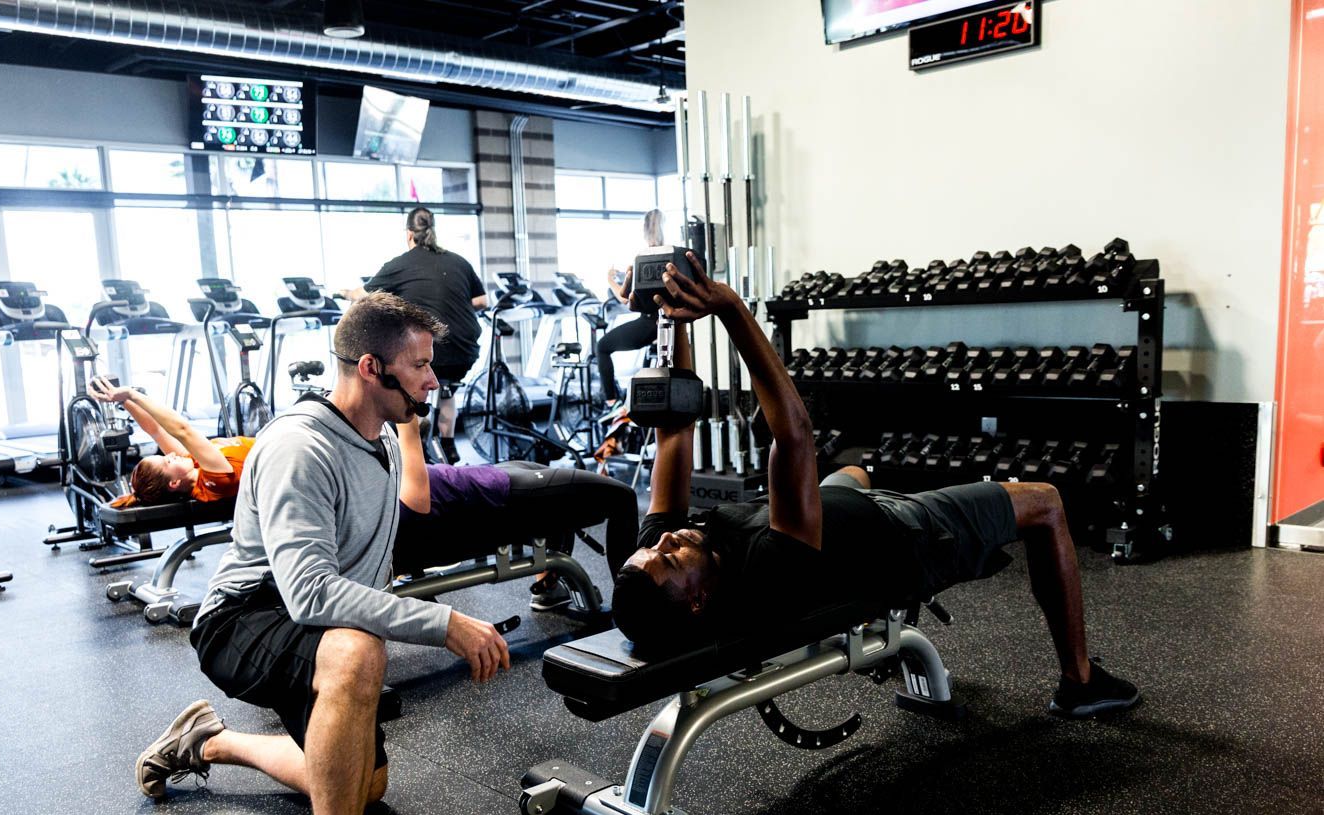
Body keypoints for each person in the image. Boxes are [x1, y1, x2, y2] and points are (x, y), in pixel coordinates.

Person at [136, 292, 510, 815]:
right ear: (372, 368)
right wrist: (444, 624)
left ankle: (207, 743)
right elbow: (309, 594)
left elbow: (364, 574)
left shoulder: (381, 442)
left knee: (360, 789)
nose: (433, 380)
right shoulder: (300, 447)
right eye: (419, 366)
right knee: (356, 650)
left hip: (309, 626)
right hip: (243, 619)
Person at [609, 253, 1141, 721]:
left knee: (858, 466)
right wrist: (729, 308)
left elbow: (675, 427)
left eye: (656, 546)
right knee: (1045, 501)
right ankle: (1080, 681)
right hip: (907, 534)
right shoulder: (764, 578)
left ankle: (894, 622)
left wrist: (669, 314)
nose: (667, 541)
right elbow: (792, 435)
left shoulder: (663, 554)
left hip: (847, 508)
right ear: (700, 602)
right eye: (672, 559)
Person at [393, 413, 638, 610]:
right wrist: (406, 418)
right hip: (500, 491)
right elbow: (417, 503)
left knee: (557, 490)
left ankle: (548, 588)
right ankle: (633, 608)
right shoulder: (396, 496)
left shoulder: (366, 487)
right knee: (622, 497)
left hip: (492, 476)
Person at [341, 206, 488, 464]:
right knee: (446, 390)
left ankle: (413, 450)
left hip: (433, 352)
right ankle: (448, 444)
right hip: (465, 351)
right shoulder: (458, 261)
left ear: (409, 234)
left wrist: (343, 293)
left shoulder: (399, 265)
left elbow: (365, 296)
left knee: (408, 379)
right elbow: (482, 300)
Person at [87, 376, 250, 506]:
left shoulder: (190, 465)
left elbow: (155, 430)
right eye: (167, 461)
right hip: (274, 451)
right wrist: (132, 394)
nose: (170, 454)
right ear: (174, 483)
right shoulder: (215, 481)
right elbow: (182, 430)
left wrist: (120, 399)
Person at [596, 208, 666, 415]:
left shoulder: (645, 257)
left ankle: (611, 401)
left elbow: (626, 298)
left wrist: (610, 279)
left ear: (646, 231)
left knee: (602, 347)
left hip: (649, 323)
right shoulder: (669, 254)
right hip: (664, 322)